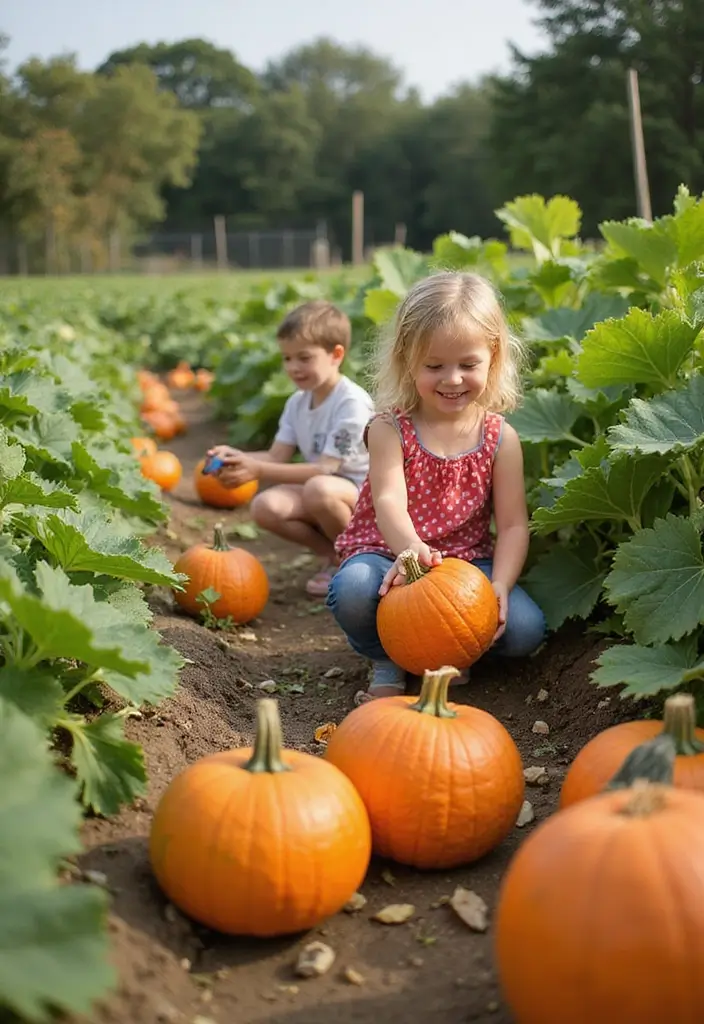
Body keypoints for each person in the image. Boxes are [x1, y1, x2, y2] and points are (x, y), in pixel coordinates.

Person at [327, 271, 546, 704]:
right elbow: (389, 499)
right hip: (392, 554)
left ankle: (444, 649)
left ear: (494, 357)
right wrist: (411, 549)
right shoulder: (392, 428)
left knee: (525, 629)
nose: (452, 379)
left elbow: (514, 525)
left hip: (465, 564)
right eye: (434, 366)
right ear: (408, 360)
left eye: (468, 365)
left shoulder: (501, 437)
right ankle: (389, 654)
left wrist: (499, 585)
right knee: (353, 590)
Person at [207, 300, 374, 597]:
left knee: (319, 489)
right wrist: (237, 457)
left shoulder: (351, 403)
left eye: (304, 358)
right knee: (265, 507)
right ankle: (335, 557)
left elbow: (326, 468)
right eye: (287, 358)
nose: (293, 367)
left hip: (365, 495)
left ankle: (361, 556)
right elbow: (275, 456)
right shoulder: (297, 402)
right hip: (326, 487)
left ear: (336, 355)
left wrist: (257, 469)